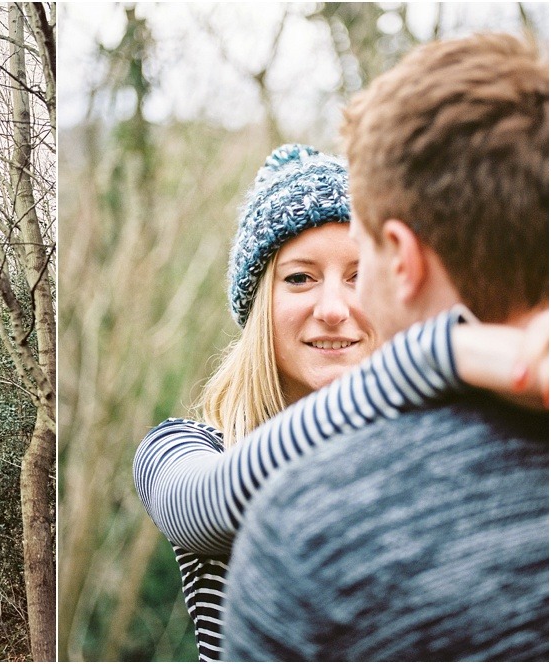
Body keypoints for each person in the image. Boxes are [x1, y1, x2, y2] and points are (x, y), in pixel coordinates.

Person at [133, 145, 548, 660]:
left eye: (357, 276)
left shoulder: (433, 442)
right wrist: (433, 355)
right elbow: (202, 506)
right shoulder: (179, 447)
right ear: (260, 304)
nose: (333, 309)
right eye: (299, 277)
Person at [221, 33, 548, 661]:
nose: (340, 306)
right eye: (300, 276)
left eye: (359, 259)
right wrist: (448, 354)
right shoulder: (198, 454)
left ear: (400, 258)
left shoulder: (311, 535)